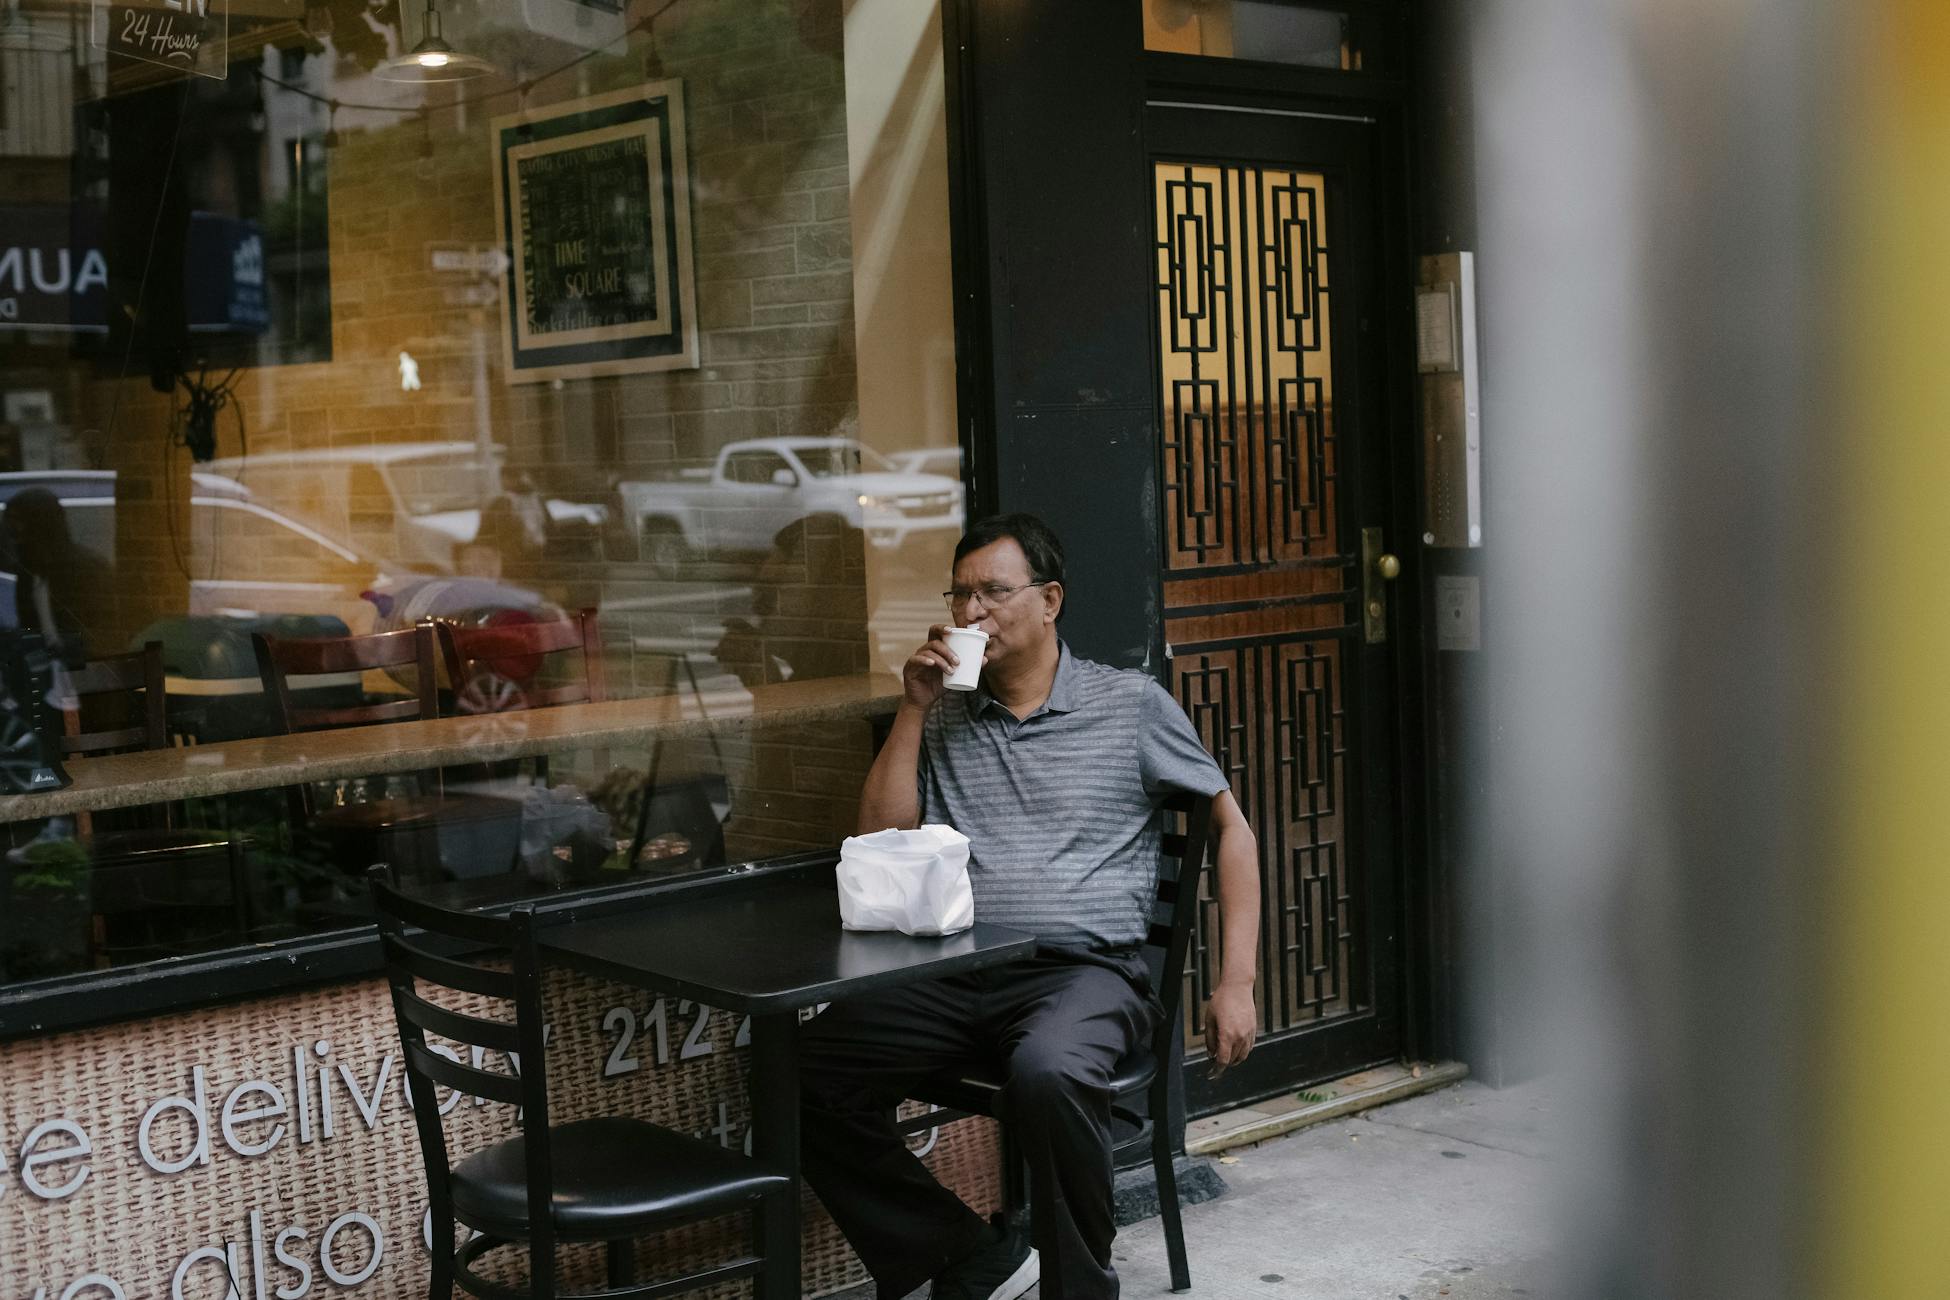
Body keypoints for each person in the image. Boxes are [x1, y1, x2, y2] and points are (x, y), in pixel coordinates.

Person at [800, 513, 1261, 1300]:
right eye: (961, 595)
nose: (972, 612)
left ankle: (1080, 1288)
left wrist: (1236, 983)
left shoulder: (1130, 706)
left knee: (1046, 1070)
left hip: (1088, 974)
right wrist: (912, 706)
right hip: (958, 972)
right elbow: (877, 837)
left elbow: (1231, 827)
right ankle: (967, 1255)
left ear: (1049, 601)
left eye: (994, 593)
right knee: (801, 1067)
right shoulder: (943, 713)